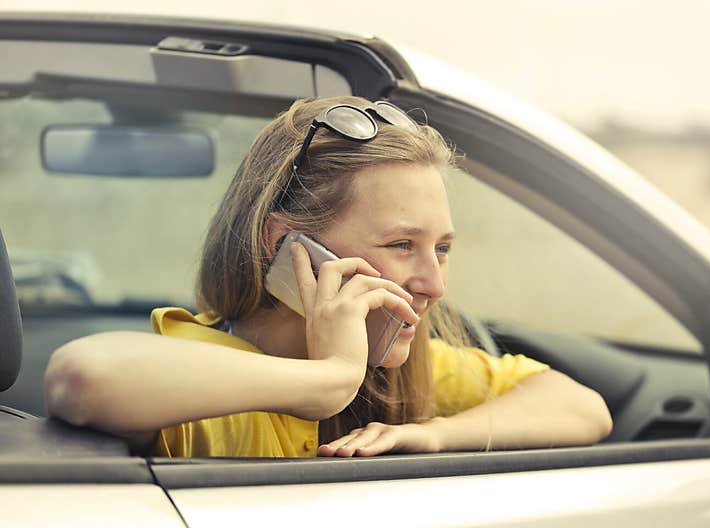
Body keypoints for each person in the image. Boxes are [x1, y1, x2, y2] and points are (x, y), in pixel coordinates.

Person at [44, 96, 612, 458]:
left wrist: (437, 434)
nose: (434, 284)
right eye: (400, 245)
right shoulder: (201, 364)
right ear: (285, 245)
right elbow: (82, 378)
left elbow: (584, 408)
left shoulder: (397, 369)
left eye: (441, 248)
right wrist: (329, 378)